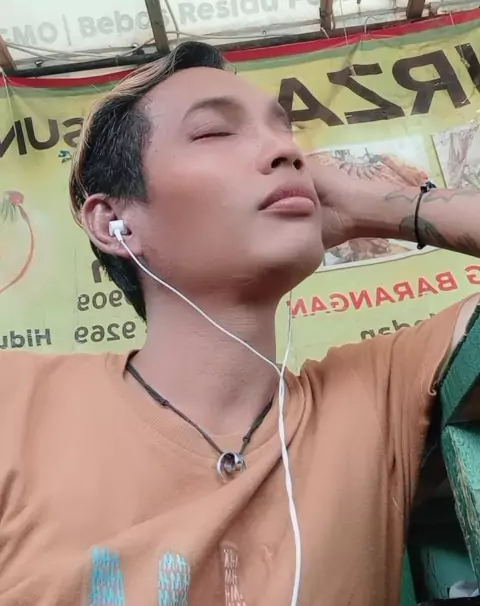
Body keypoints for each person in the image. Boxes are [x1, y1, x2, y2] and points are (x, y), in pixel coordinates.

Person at [0, 40, 478, 606]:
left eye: (285, 133)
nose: (286, 151)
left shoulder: (378, 391)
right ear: (114, 223)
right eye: (213, 133)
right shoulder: (17, 401)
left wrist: (385, 206)